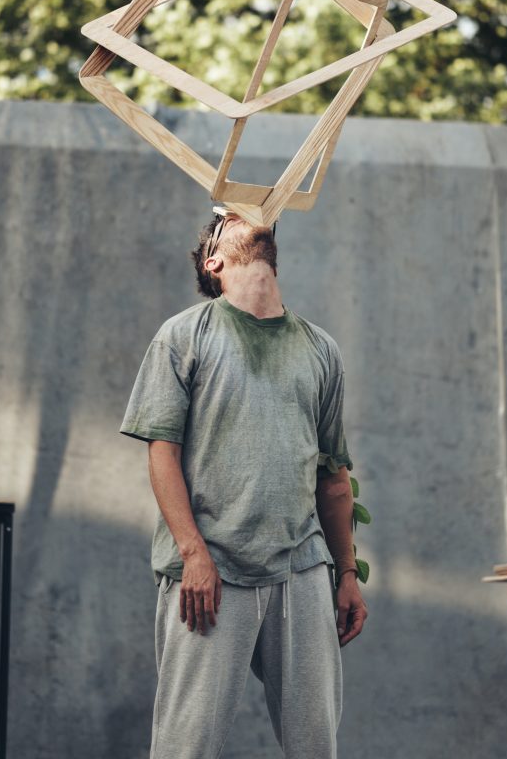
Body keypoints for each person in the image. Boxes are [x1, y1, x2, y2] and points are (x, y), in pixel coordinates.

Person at [120, 209, 368, 759]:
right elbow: (163, 454)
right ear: (215, 260)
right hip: (211, 570)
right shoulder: (184, 336)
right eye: (228, 218)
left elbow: (333, 478)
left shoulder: (321, 349)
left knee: (316, 745)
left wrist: (346, 572)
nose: (246, 215)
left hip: (300, 568)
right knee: (187, 747)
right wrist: (193, 554)